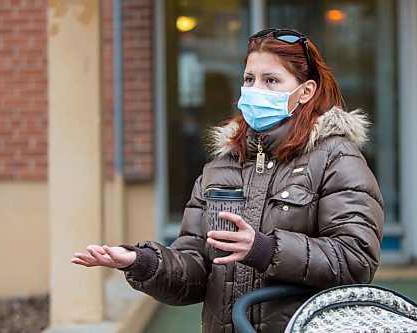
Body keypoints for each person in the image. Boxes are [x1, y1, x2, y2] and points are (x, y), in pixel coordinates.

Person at [72, 28, 384, 332]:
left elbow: (355, 260)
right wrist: (141, 262)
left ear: (306, 92)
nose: (254, 89)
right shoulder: (220, 165)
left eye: (271, 80)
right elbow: (194, 270)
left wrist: (265, 249)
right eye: (249, 79)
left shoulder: (336, 157)